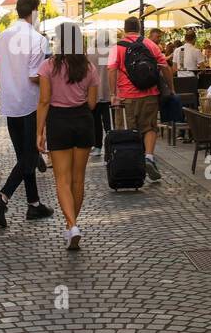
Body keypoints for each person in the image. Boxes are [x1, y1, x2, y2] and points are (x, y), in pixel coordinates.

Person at [0, 0, 54, 228]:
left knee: (23, 156)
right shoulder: (37, 39)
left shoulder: (2, 37)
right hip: (30, 103)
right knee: (30, 156)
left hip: (10, 104)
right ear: (34, 11)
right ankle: (2, 197)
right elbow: (35, 76)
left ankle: (34, 204)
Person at [36, 21, 98, 250]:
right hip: (83, 120)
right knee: (78, 179)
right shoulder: (88, 68)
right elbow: (92, 103)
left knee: (61, 179)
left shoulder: (48, 66)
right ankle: (72, 225)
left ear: (60, 41)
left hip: (58, 121)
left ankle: (71, 225)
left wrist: (39, 132)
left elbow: (43, 100)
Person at [108, 15, 171, 182]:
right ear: (139, 28)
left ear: (124, 29)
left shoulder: (117, 47)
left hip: (126, 97)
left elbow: (111, 70)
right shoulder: (150, 44)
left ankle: (131, 161)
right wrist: (171, 88)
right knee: (149, 127)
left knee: (128, 131)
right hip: (150, 93)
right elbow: (165, 66)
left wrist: (113, 94)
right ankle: (149, 157)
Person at [89, 29, 114, 158]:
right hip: (110, 93)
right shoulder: (112, 52)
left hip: (94, 93)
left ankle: (97, 147)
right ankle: (111, 148)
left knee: (96, 122)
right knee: (109, 123)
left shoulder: (91, 53)